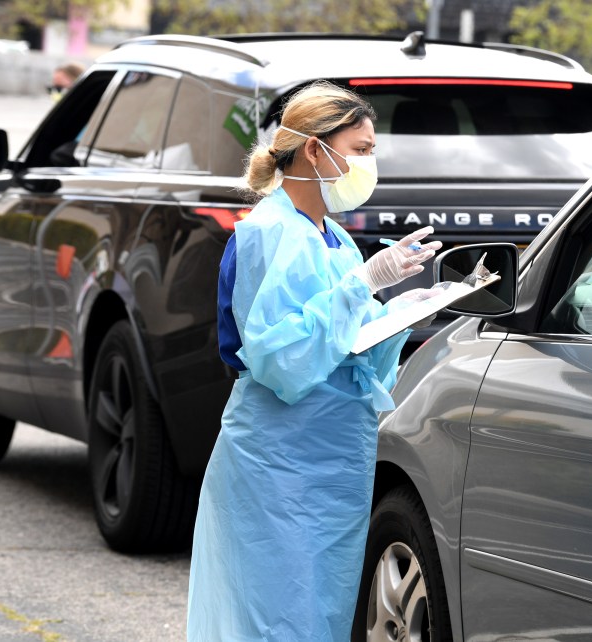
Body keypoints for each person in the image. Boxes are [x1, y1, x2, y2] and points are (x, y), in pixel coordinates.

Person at [187, 81, 442, 641]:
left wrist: (397, 311)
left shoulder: (332, 238)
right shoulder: (266, 233)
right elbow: (281, 361)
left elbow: (342, 347)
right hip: (280, 460)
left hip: (332, 458)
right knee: (275, 616)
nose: (369, 164)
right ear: (314, 149)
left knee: (319, 614)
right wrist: (362, 286)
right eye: (361, 149)